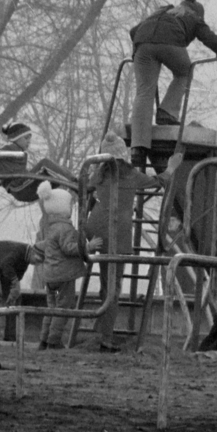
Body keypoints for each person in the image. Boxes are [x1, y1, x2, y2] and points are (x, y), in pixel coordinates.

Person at [129, 0, 217, 169]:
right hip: (170, 42)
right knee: (185, 72)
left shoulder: (163, 11)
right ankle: (167, 112)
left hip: (142, 43)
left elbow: (133, 31)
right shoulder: (194, 17)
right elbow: (213, 41)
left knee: (144, 92)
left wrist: (143, 47)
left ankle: (138, 148)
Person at [82, 132, 162, 352]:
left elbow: (87, 188)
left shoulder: (99, 173)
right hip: (115, 232)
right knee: (113, 288)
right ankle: (105, 337)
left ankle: (100, 329)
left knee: (107, 282)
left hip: (95, 228)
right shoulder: (131, 175)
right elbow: (158, 182)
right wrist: (172, 167)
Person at [35, 181, 102, 350]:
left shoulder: (50, 226)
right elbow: (69, 248)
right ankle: (54, 341)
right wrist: (88, 246)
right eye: (70, 206)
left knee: (52, 308)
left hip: (51, 276)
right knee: (63, 308)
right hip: (63, 276)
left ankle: (44, 340)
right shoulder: (64, 228)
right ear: (63, 209)